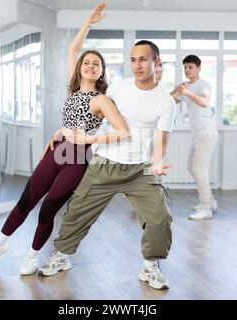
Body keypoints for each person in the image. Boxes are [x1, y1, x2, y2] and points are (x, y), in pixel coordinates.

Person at [0, 2, 129, 275]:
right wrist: (88, 23)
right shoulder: (73, 90)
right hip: (56, 151)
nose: (91, 65)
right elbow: (73, 49)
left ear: (102, 72)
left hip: (77, 159)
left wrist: (89, 138)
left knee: (47, 211)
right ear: (80, 68)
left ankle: (32, 256)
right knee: (26, 201)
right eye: (87, 62)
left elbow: (123, 132)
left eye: (97, 64)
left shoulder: (102, 100)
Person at [38, 38, 177, 291]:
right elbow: (87, 109)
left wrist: (157, 164)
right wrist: (62, 131)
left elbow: (161, 144)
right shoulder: (118, 87)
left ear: (157, 62)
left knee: (160, 218)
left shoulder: (166, 102)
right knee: (77, 211)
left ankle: (150, 265)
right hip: (104, 164)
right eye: (133, 60)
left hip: (138, 170)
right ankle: (62, 255)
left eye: (143, 59)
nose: (137, 65)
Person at [170, 55, 218, 220]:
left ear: (198, 68)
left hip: (206, 133)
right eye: (185, 68)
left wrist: (187, 93)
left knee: (199, 169)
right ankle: (209, 200)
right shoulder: (186, 87)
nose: (187, 70)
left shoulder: (203, 85)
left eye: (190, 67)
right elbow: (169, 102)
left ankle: (206, 208)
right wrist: (177, 90)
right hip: (197, 134)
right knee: (192, 167)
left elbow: (205, 102)